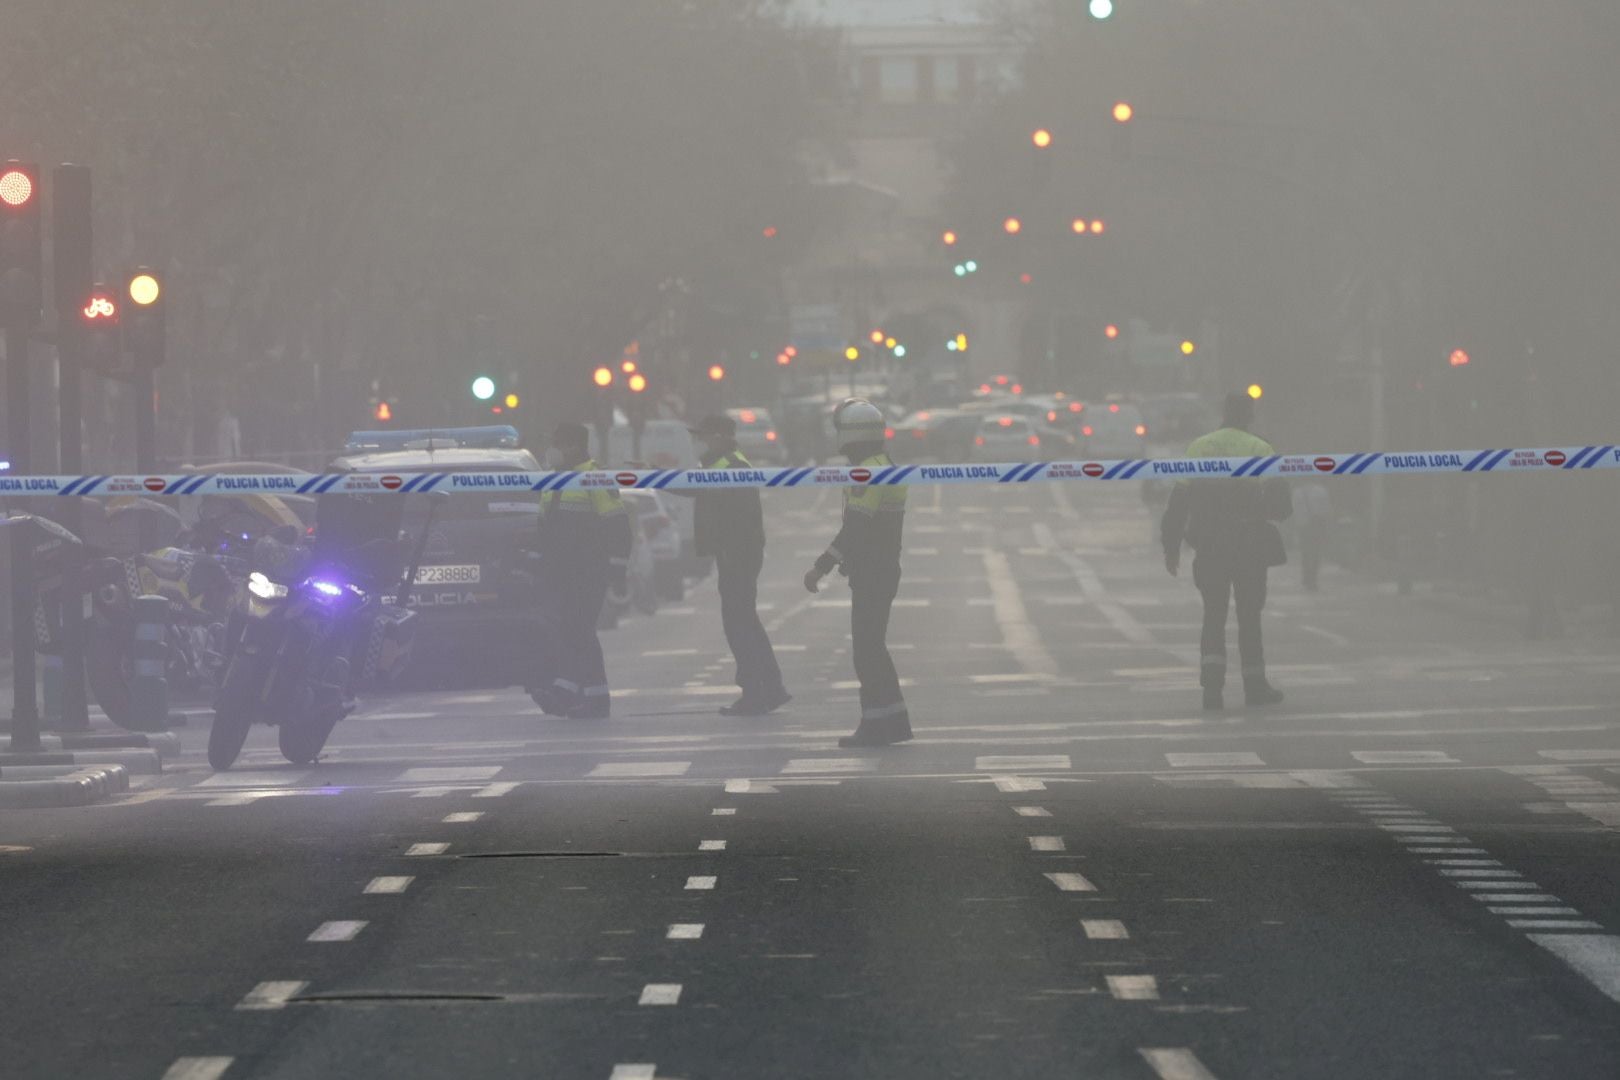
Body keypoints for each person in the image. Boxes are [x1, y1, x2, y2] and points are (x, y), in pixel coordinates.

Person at [1161, 392, 1291, 711]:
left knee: (1213, 616)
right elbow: (1282, 506)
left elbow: (1178, 503)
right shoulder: (1261, 449)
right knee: (1249, 617)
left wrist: (1171, 547)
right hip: (1249, 545)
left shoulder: (1199, 448)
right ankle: (1255, 687)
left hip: (1211, 545)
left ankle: (1212, 691)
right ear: (1250, 415)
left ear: (1223, 413)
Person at [803, 398, 911, 747]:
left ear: (851, 436)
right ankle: (893, 721)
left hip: (874, 572)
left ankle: (875, 725)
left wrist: (822, 565)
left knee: (866, 651)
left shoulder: (870, 472)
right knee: (873, 648)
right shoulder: (879, 464)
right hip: (879, 568)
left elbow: (856, 527)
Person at [685, 414, 790, 716]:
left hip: (738, 554)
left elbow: (740, 517)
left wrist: (731, 549)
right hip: (734, 553)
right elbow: (696, 488)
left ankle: (758, 690)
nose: (698, 442)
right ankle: (768, 687)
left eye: (701, 436)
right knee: (744, 621)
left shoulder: (733, 466)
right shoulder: (720, 464)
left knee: (739, 623)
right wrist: (657, 476)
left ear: (718, 436)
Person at [529, 422, 632, 720]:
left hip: (589, 570)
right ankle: (577, 693)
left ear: (573, 445)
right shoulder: (554, 480)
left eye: (557, 444)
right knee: (570, 630)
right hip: (560, 571)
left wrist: (617, 570)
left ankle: (583, 695)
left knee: (579, 628)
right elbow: (546, 528)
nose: (552, 451)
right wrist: (538, 561)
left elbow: (617, 524)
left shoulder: (595, 477)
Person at [1292, 477, 1332, 591]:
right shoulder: (1321, 491)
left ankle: (1306, 577)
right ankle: (1313, 579)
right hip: (1317, 526)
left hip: (1302, 527)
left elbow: (1294, 511)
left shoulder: (1297, 493)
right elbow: (1326, 510)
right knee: (1316, 552)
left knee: (1305, 553)